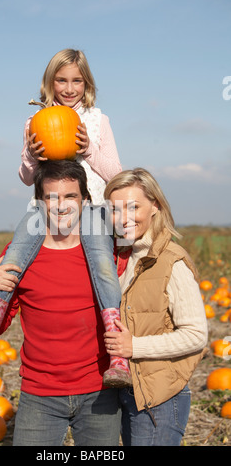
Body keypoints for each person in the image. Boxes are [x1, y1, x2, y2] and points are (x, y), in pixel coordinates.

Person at [0, 49, 131, 388]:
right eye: (61, 80)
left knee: (103, 269)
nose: (69, 87)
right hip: (43, 210)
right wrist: (32, 157)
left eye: (77, 80)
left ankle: (118, 358)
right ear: (50, 83)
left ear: (86, 83)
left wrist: (89, 148)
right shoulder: (34, 121)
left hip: (89, 210)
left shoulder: (97, 120)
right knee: (11, 261)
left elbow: (116, 173)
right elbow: (24, 176)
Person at [0, 160, 122, 446]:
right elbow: (0, 322)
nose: (61, 205)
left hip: (100, 390)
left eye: (71, 196)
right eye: (51, 197)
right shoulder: (19, 255)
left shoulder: (109, 253)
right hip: (39, 394)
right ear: (39, 203)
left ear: (86, 200)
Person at [103, 168, 208, 446]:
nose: (123, 218)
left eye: (133, 207)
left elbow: (196, 334)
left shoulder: (171, 260)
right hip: (126, 391)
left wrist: (134, 347)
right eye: (115, 209)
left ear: (155, 206)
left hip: (159, 398)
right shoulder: (118, 257)